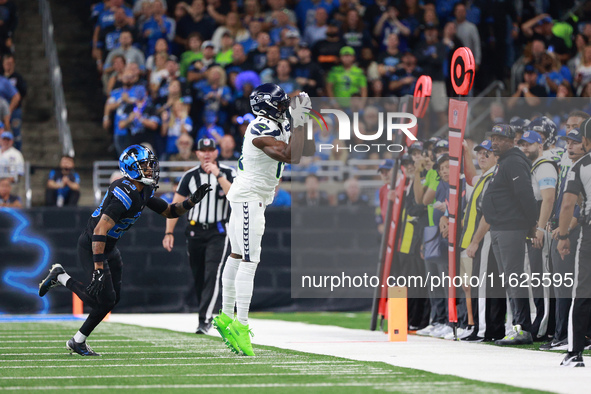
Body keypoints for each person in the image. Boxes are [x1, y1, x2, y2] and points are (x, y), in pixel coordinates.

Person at [38, 145, 211, 356]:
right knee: (103, 301)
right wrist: (98, 268)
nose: (150, 169)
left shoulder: (144, 189)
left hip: (110, 247)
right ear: (131, 168)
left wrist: (191, 201)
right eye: (145, 166)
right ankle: (65, 291)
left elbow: (169, 211)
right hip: (93, 245)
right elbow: (100, 229)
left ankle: (76, 333)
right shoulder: (124, 193)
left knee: (111, 300)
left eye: (150, 165)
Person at [211, 84, 314, 356]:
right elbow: (290, 155)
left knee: (236, 255)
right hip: (249, 197)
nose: (284, 106)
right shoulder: (259, 127)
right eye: (280, 103)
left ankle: (224, 316)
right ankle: (241, 324)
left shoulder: (277, 123)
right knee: (249, 260)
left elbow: (304, 150)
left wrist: (302, 120)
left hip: (249, 195)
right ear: (267, 106)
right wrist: (300, 119)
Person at [162, 138, 236, 334]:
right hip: (194, 231)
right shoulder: (190, 176)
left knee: (213, 273)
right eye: (203, 150)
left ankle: (204, 319)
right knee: (199, 275)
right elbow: (175, 206)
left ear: (216, 152)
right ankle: (205, 313)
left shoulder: (228, 173)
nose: (207, 154)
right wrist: (169, 232)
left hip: (218, 231)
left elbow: (235, 196)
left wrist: (218, 175)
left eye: (211, 150)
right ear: (197, 153)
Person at [481, 124, 538, 345]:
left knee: (514, 278)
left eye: (500, 138)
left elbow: (526, 195)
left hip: (510, 227)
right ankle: (517, 326)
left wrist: (531, 223)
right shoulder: (505, 161)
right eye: (493, 138)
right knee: (509, 279)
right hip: (501, 227)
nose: (495, 142)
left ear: (512, 140)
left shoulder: (514, 161)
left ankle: (522, 328)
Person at [542, 123, 588, 351]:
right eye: (567, 141)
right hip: (573, 228)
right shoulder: (570, 165)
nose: (569, 145)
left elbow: (573, 205)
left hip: (578, 231)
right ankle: (564, 334)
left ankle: (569, 339)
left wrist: (564, 232)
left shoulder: (580, 167)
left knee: (571, 287)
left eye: (575, 141)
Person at [517, 129, 558, 341]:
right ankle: (542, 321)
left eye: (529, 144)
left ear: (540, 145)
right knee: (535, 277)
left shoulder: (544, 168)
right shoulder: (532, 167)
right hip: (534, 227)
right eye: (522, 144)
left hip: (541, 228)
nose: (525, 148)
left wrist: (540, 229)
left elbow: (548, 199)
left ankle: (544, 325)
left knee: (543, 277)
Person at [557, 117, 591, 367]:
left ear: (586, 141)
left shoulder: (580, 166)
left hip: (589, 233)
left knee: (582, 291)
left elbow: (568, 204)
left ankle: (574, 351)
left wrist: (563, 235)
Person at [463, 140, 503, 342]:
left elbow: (489, 213)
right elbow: (470, 177)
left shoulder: (493, 179)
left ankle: (483, 329)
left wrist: (475, 241)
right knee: (489, 284)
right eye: (479, 153)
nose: (482, 157)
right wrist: (466, 153)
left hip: (486, 238)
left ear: (497, 156)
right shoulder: (485, 178)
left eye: (487, 154)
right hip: (485, 238)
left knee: (484, 285)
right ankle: (489, 327)